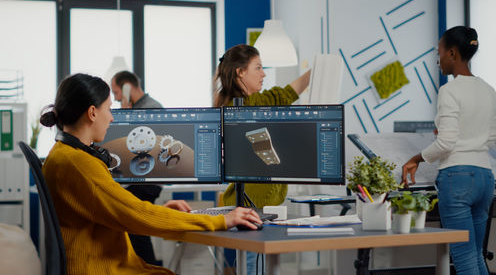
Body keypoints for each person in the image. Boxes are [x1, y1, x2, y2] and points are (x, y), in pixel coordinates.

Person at [40, 73, 262, 275]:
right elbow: (134, 214)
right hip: (101, 268)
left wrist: (158, 211)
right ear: (92, 112)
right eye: (108, 109)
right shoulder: (79, 164)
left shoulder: (62, 155)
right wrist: (221, 220)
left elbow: (121, 210)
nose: (112, 118)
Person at [402, 26, 496, 275]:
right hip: (485, 177)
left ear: (453, 54)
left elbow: (446, 143)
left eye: (440, 52)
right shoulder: (489, 90)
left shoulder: (449, 91)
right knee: (476, 254)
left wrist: (416, 158)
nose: (438, 59)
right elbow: (491, 136)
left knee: (464, 257)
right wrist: (471, 145)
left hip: (457, 180)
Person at [213, 44, 310, 274]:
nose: (263, 73)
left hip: (255, 203)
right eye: (258, 67)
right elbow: (286, 94)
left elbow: (287, 93)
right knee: (251, 265)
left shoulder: (242, 103)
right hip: (251, 204)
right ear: (240, 72)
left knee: (254, 263)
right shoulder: (246, 105)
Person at [110, 70, 163, 265]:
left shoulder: (151, 108)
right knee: (134, 229)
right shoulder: (137, 107)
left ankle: (148, 266)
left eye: (116, 92)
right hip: (137, 177)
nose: (115, 99)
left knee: (136, 228)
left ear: (127, 87)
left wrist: (125, 114)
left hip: (148, 180)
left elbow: (140, 146)